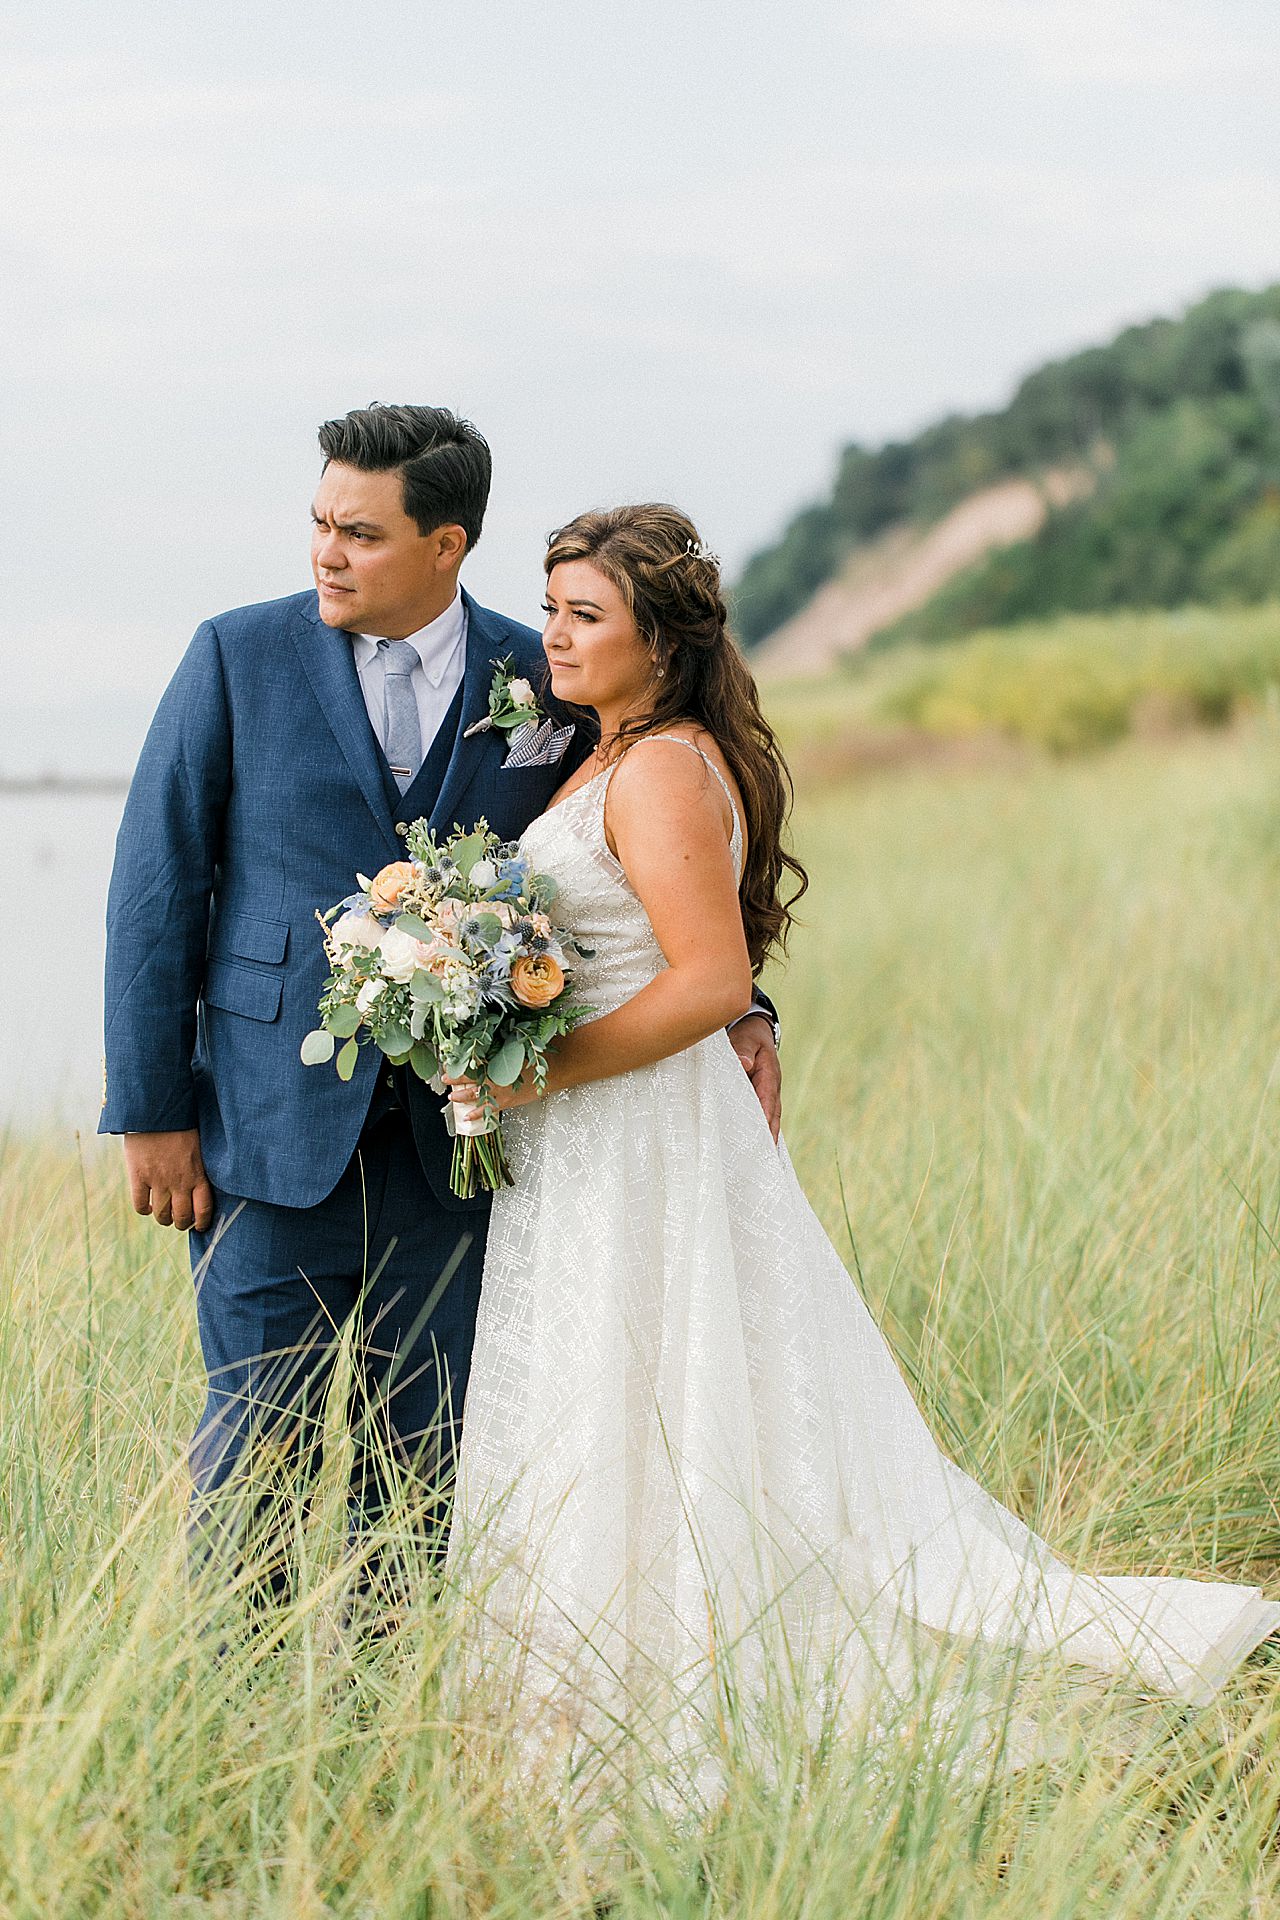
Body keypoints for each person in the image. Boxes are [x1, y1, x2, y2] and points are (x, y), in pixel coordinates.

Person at [444, 502, 1280, 1787]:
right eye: (549, 608)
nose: (550, 636)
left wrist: (531, 1076)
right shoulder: (608, 749)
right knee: (625, 1399)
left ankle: (673, 1718)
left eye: (582, 615)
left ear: (657, 642)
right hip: (611, 1137)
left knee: (668, 1394)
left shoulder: (659, 766)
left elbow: (712, 979)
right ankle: (594, 1706)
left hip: (636, 1130)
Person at [98, 409, 782, 1612]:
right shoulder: (234, 655)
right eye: (318, 524)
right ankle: (240, 1720)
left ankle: (380, 1714)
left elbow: (641, 867)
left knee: (430, 1458)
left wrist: (743, 1007)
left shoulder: (552, 673)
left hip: (468, 1146)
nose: (324, 552)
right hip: (265, 1129)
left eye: (358, 533)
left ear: (445, 545)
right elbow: (157, 889)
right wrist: (150, 1110)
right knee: (254, 1441)